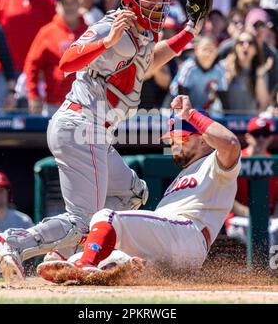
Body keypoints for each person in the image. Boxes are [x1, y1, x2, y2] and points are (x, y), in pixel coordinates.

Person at [0, 0, 210, 281]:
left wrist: (191, 31)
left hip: (94, 132)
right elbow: (67, 61)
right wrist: (106, 40)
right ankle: (11, 242)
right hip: (81, 125)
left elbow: (149, 61)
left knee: (133, 193)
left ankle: (59, 256)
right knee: (82, 222)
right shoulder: (114, 24)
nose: (157, 5)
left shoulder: (142, 33)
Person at [36, 94, 241, 283]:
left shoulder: (216, 163)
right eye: (172, 141)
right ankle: (94, 264)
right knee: (105, 257)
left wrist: (191, 115)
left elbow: (231, 143)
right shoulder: (182, 175)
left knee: (106, 217)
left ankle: (85, 263)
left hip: (189, 233)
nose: (174, 145)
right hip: (171, 253)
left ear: (204, 139)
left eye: (182, 139)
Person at [24, 0, 88, 117]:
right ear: (57, 6)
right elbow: (32, 65)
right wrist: (33, 94)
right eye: (65, 3)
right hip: (55, 104)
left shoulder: (90, 32)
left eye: (72, 3)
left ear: (78, 4)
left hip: (85, 104)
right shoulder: (47, 32)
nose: (69, 7)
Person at [225, 117, 278, 246]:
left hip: (270, 220)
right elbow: (224, 195)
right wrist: (250, 213)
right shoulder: (234, 160)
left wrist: (274, 217)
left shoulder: (274, 162)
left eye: (265, 134)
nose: (260, 139)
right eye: (256, 134)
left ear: (271, 138)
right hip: (238, 220)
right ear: (248, 137)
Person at [0, 171, 34, 278]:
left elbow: (33, 254)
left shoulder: (23, 221)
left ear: (8, 194)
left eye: (1, 191)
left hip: (17, 281)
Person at [170, 35, 226, 114]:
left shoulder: (219, 69)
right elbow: (181, 92)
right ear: (196, 50)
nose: (208, 53)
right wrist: (188, 112)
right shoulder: (189, 67)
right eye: (205, 49)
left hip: (203, 110)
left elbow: (223, 95)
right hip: (177, 106)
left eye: (211, 50)